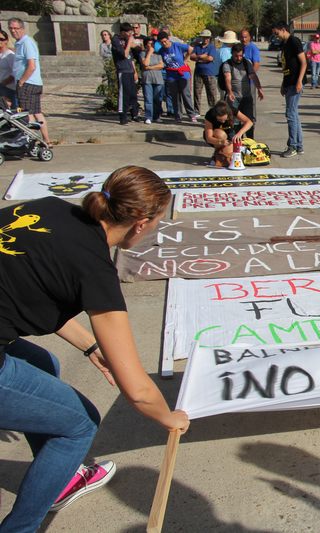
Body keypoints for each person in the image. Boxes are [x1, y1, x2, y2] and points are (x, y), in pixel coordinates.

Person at [0, 166, 191, 531]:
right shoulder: (95, 269)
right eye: (157, 222)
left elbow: (33, 286)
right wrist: (169, 418)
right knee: (80, 423)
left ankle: (56, 480)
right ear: (140, 223)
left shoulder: (50, 207)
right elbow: (137, 390)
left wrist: (90, 346)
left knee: (42, 363)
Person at [10, 18, 52, 145]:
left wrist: (22, 81)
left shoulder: (26, 42)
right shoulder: (20, 43)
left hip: (28, 83)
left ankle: (33, 141)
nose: (13, 31)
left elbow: (31, 66)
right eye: (11, 28)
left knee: (27, 114)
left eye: (16, 28)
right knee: (36, 112)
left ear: (22, 28)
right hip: (31, 83)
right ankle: (46, 140)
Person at [273, 22, 306, 158]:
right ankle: (299, 145)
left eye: (277, 33)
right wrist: (283, 83)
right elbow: (286, 66)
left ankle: (292, 145)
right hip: (288, 82)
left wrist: (299, 81)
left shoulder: (294, 41)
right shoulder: (285, 44)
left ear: (283, 30)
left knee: (290, 114)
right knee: (294, 115)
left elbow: (304, 62)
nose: (276, 36)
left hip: (295, 83)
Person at [221, 42, 263, 138]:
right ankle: (237, 141)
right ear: (232, 53)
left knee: (249, 121)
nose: (239, 58)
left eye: (240, 56)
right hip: (234, 98)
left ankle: (250, 141)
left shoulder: (246, 62)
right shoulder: (227, 64)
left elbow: (253, 76)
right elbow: (227, 78)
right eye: (236, 56)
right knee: (235, 122)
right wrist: (230, 92)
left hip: (246, 97)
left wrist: (259, 88)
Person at [157, 31, 198, 122]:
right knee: (175, 96)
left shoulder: (177, 46)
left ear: (168, 39)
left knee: (185, 94)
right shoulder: (161, 51)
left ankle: (191, 114)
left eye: (165, 41)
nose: (164, 44)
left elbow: (191, 49)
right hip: (171, 74)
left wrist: (186, 59)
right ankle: (178, 115)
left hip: (182, 73)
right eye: (161, 42)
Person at [203, 100, 253, 167]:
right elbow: (209, 138)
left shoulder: (232, 110)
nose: (223, 122)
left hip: (229, 135)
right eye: (219, 120)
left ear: (228, 114)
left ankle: (220, 155)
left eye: (224, 119)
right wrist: (221, 141)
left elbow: (249, 122)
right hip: (216, 136)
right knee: (220, 134)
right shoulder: (210, 114)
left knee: (230, 154)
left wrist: (239, 134)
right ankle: (216, 155)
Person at [111, 22, 140, 125]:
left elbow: (131, 57)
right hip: (122, 70)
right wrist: (129, 43)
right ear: (123, 32)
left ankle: (134, 114)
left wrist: (134, 71)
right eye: (128, 32)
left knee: (133, 94)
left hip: (130, 70)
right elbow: (124, 54)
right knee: (124, 94)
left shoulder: (127, 39)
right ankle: (123, 116)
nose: (130, 34)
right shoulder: (116, 40)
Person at [190, 29, 218, 115]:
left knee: (212, 94)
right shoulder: (197, 47)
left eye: (207, 37)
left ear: (209, 38)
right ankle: (196, 111)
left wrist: (198, 58)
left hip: (210, 73)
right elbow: (191, 57)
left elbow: (210, 58)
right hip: (198, 72)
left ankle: (213, 111)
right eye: (204, 37)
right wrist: (202, 57)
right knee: (197, 92)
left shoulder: (212, 47)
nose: (205, 39)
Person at [140, 37, 164, 124]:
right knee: (148, 99)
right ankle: (148, 116)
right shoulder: (143, 54)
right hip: (147, 79)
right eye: (149, 43)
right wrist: (149, 53)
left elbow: (161, 65)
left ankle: (156, 116)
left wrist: (150, 67)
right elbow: (145, 64)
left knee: (158, 99)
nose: (151, 45)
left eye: (152, 44)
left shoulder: (158, 55)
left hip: (158, 79)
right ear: (146, 45)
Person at [0, 29, 16, 109]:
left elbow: (15, 72)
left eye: (1, 39)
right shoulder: (1, 55)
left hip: (9, 88)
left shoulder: (10, 55)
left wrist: (4, 83)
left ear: (6, 40)